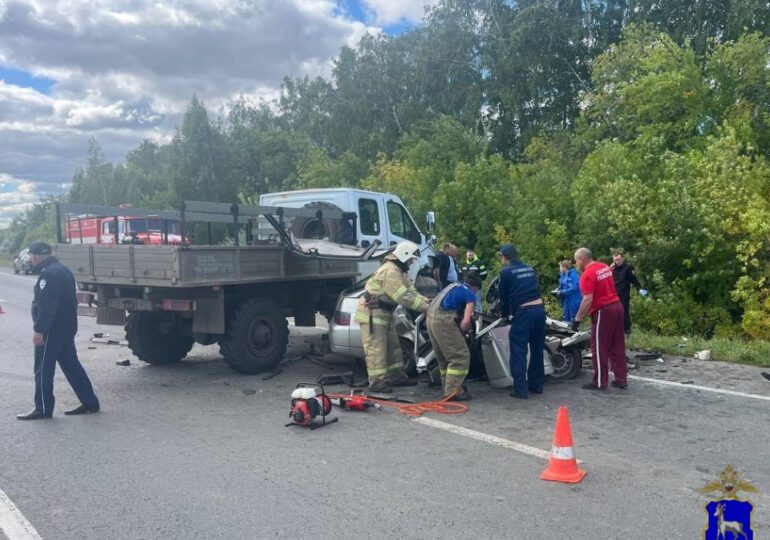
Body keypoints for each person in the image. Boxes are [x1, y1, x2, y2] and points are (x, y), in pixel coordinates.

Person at [17, 242, 100, 420]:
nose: (29, 260)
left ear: (37, 256)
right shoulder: (63, 270)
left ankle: (43, 408)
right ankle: (90, 402)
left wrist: (40, 329)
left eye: (30, 256)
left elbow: (47, 305)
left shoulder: (48, 274)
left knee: (43, 369)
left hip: (51, 331)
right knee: (72, 366)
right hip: (66, 328)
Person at [355, 241, 431, 393]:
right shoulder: (390, 272)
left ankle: (396, 377)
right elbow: (402, 296)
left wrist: (429, 303)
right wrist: (426, 308)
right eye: (410, 259)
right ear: (403, 256)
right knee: (377, 349)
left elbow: (411, 292)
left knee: (393, 347)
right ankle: (377, 383)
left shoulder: (399, 272)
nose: (411, 263)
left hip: (384, 313)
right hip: (372, 314)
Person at [573, 247, 627, 391]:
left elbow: (587, 300)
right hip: (617, 306)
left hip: (603, 310)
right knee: (617, 345)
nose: (576, 264)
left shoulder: (587, 275)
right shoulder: (604, 267)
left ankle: (599, 382)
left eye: (576, 261)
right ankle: (621, 379)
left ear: (581, 260)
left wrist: (577, 319)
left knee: (599, 347)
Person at [497, 244, 546, 399]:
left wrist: (504, 315)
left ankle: (520, 390)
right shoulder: (529, 269)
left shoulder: (506, 272)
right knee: (537, 349)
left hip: (524, 313)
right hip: (540, 311)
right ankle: (536, 386)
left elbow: (503, 298)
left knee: (518, 350)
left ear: (503, 257)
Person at [426, 272, 483, 401]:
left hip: (430, 319)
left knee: (444, 357)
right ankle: (453, 391)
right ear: (475, 287)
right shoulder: (469, 294)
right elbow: (466, 322)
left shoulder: (451, 286)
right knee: (460, 356)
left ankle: (449, 385)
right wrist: (462, 333)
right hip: (444, 321)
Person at [611, 251, 648, 335]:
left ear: (623, 259)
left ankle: (627, 330)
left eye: (619, 259)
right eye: (615, 260)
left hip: (624, 293)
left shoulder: (628, 268)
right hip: (613, 294)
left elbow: (634, 280)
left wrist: (639, 289)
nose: (617, 261)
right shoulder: (612, 269)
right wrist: (610, 269)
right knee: (613, 313)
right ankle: (616, 330)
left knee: (624, 312)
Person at [460, 249, 488, 314]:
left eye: (472, 255)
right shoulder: (463, 264)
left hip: (476, 287)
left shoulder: (479, 263)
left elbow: (484, 275)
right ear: (466, 255)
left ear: (474, 255)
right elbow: (460, 275)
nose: (470, 256)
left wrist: (478, 281)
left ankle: (479, 318)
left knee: (477, 303)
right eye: (469, 255)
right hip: (466, 288)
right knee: (467, 303)